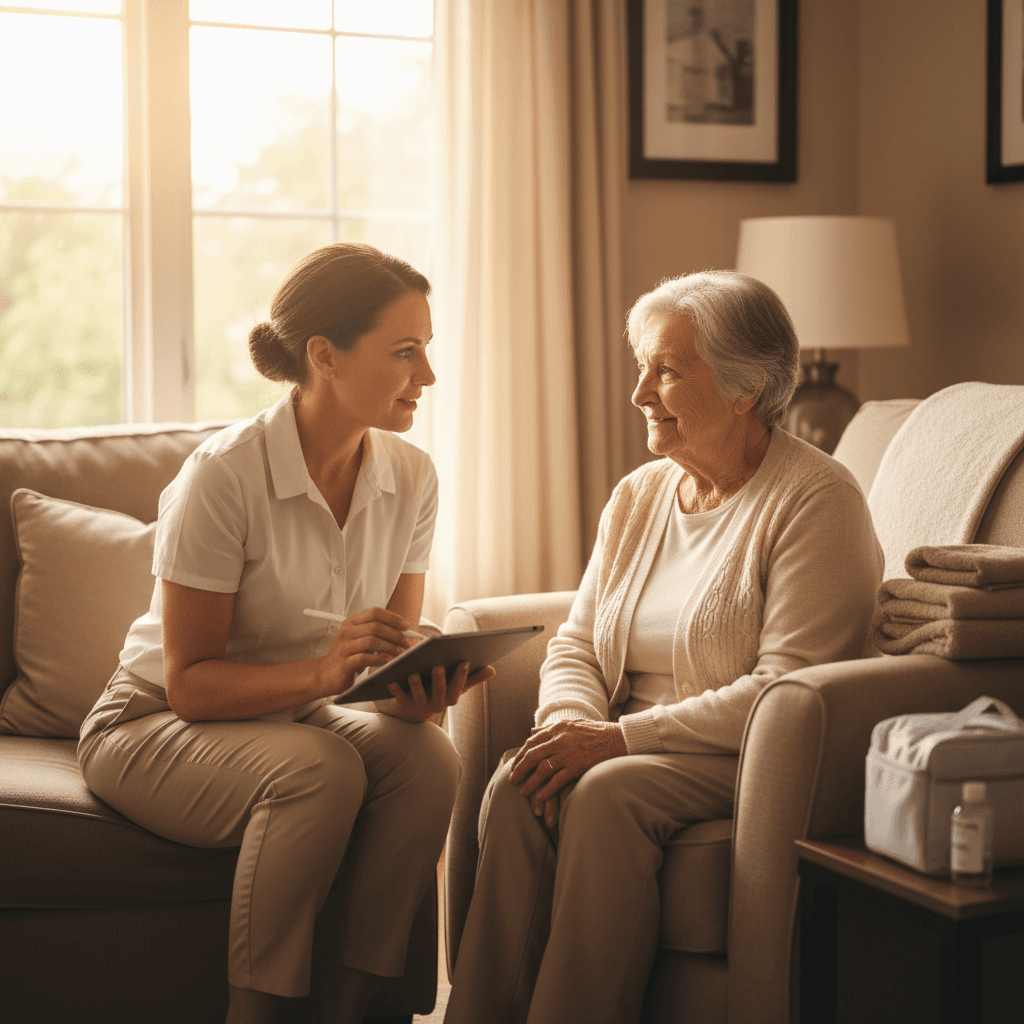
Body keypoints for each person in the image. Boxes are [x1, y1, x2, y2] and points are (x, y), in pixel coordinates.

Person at [444, 270, 884, 1024]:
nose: (640, 393)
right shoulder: (641, 495)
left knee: (610, 795)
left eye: (667, 372)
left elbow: (786, 690)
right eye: (642, 368)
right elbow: (578, 641)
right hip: (628, 742)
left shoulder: (817, 500)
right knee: (524, 781)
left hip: (750, 756)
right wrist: (568, 729)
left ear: (746, 389)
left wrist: (616, 739)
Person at [78, 243, 494, 1024]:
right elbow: (189, 684)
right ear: (324, 356)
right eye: (406, 352)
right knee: (321, 769)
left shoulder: (413, 477)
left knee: (428, 760)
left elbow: (378, 664)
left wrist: (412, 695)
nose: (428, 376)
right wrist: (326, 676)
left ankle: (345, 1011)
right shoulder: (223, 475)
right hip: (149, 722)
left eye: (428, 350)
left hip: (297, 717)